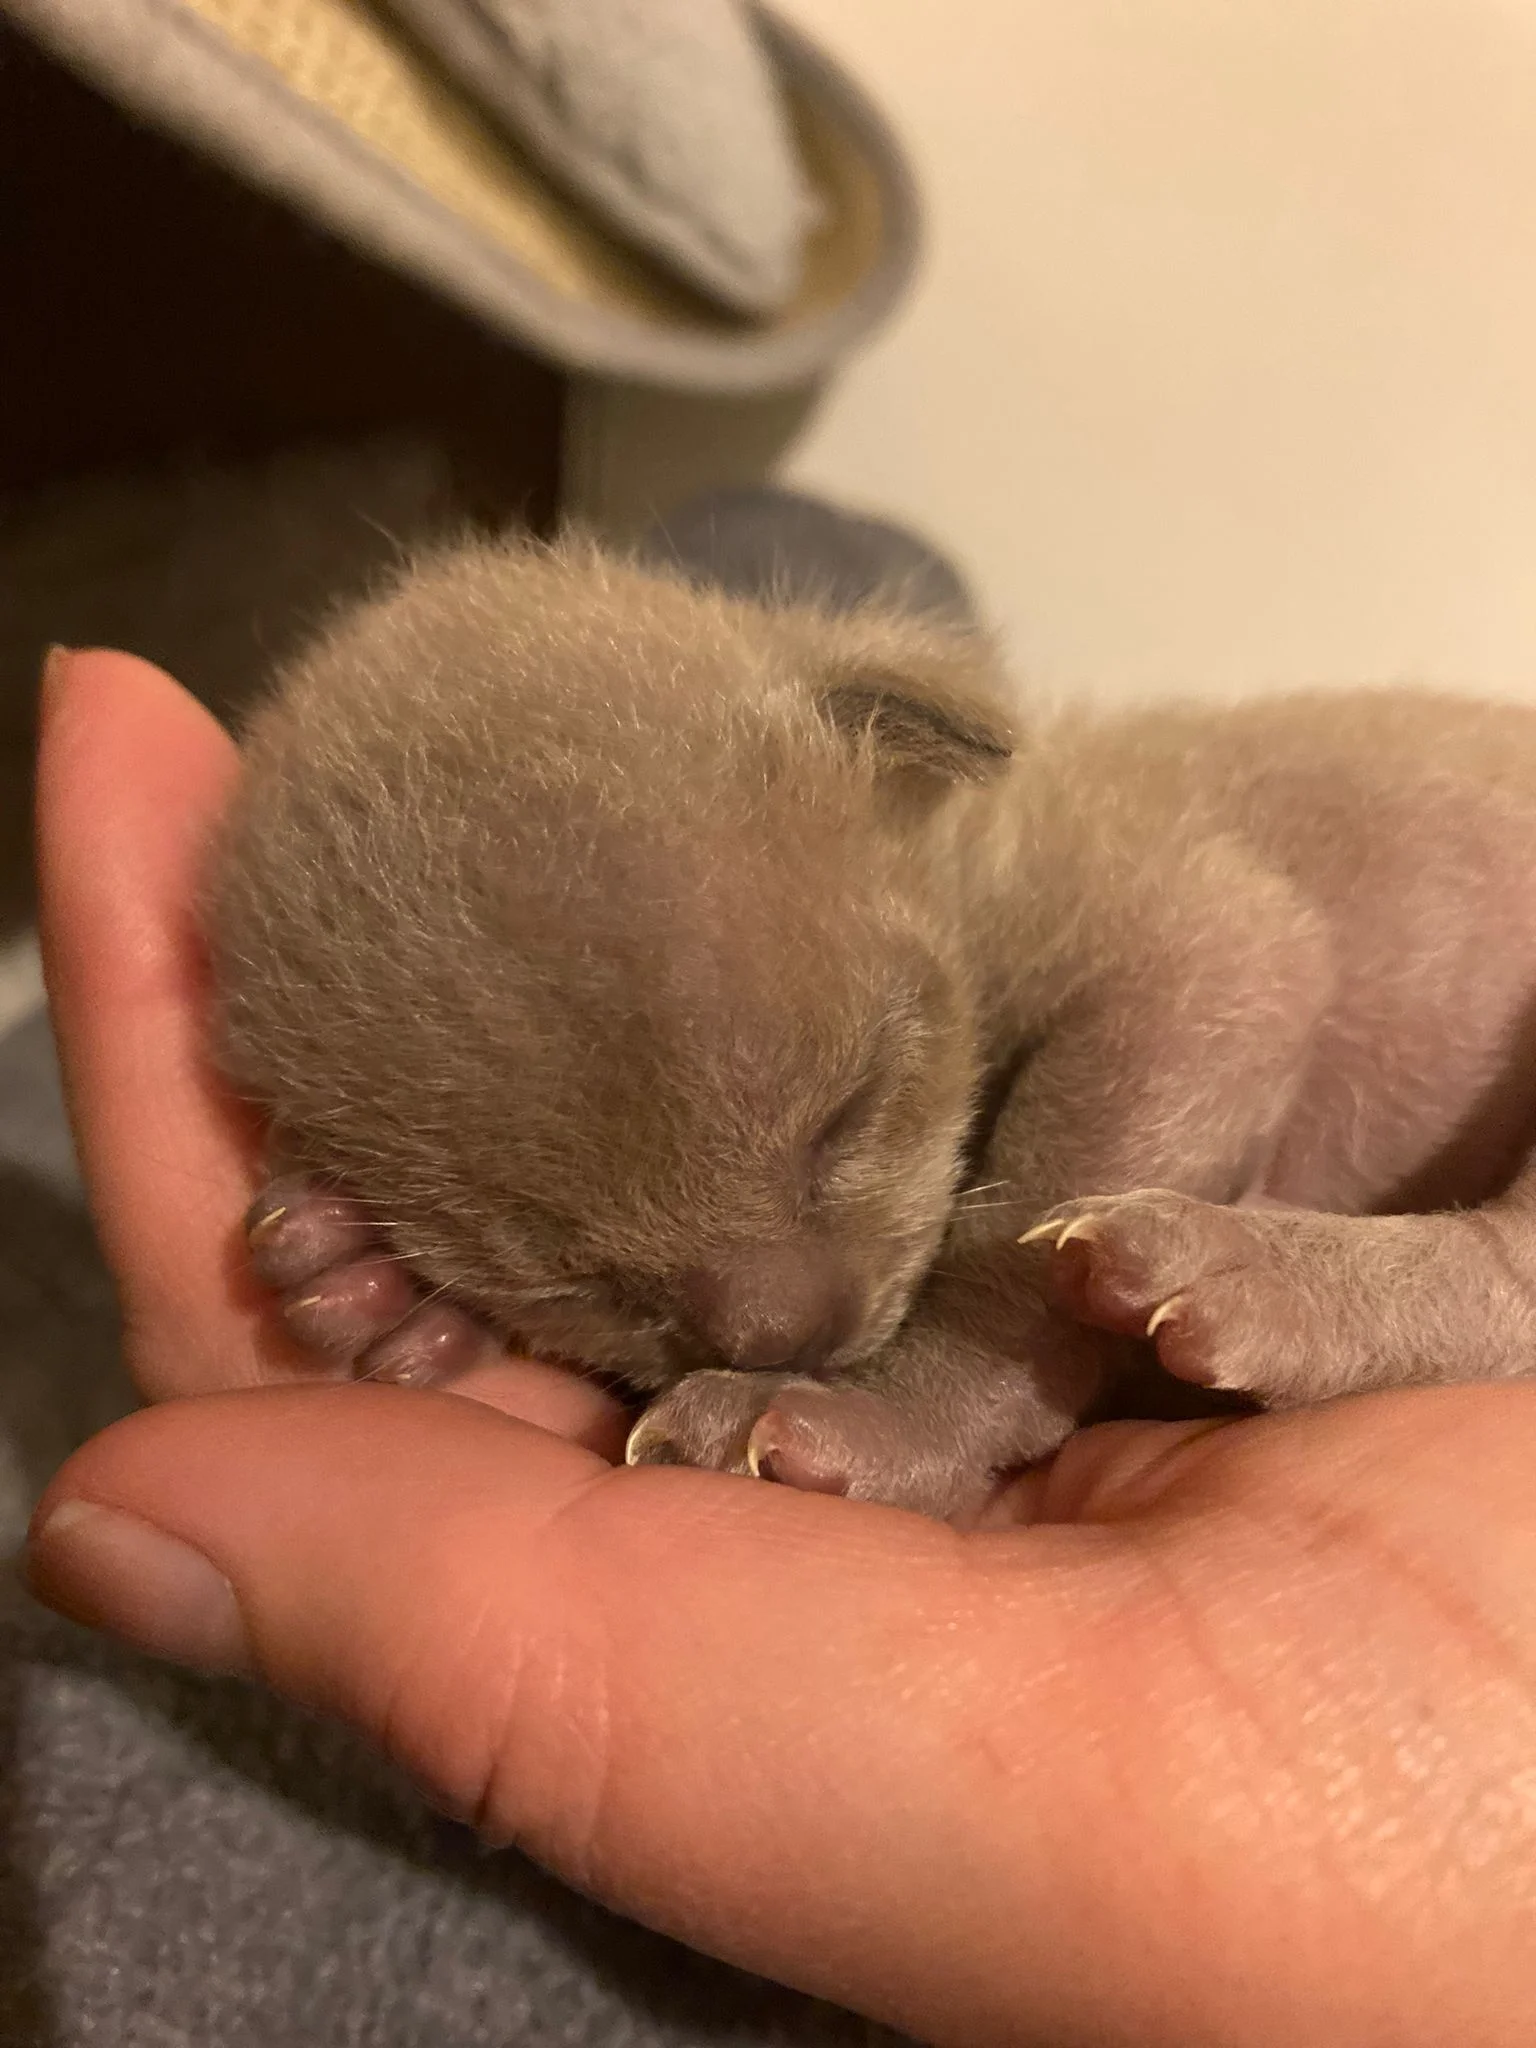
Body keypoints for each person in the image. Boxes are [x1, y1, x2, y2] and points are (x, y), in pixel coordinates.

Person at [23, 632, 1536, 2048]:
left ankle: (1490, 1278)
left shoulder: (1001, 859)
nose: (782, 1315)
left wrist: (951, 1375)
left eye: (835, 1128)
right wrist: (451, 1279)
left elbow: (1227, 967)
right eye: (585, 1260)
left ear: (896, 757)